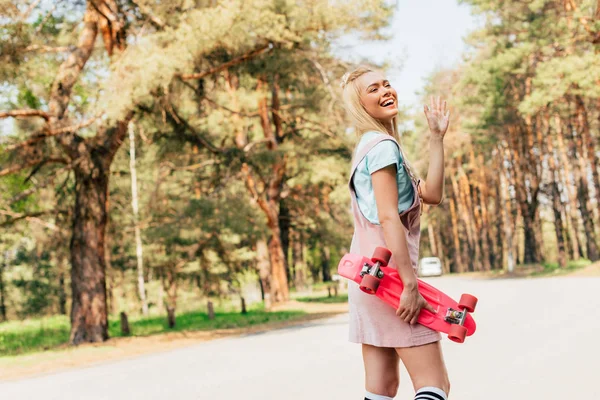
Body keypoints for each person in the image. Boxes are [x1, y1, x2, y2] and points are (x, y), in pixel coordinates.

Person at [340, 66, 451, 400]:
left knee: (382, 388)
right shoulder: (383, 147)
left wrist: (436, 138)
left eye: (387, 84)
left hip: (367, 280)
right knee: (434, 385)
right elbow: (389, 218)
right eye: (372, 89)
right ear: (360, 104)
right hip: (392, 284)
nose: (385, 90)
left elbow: (431, 194)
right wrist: (410, 285)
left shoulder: (372, 147)